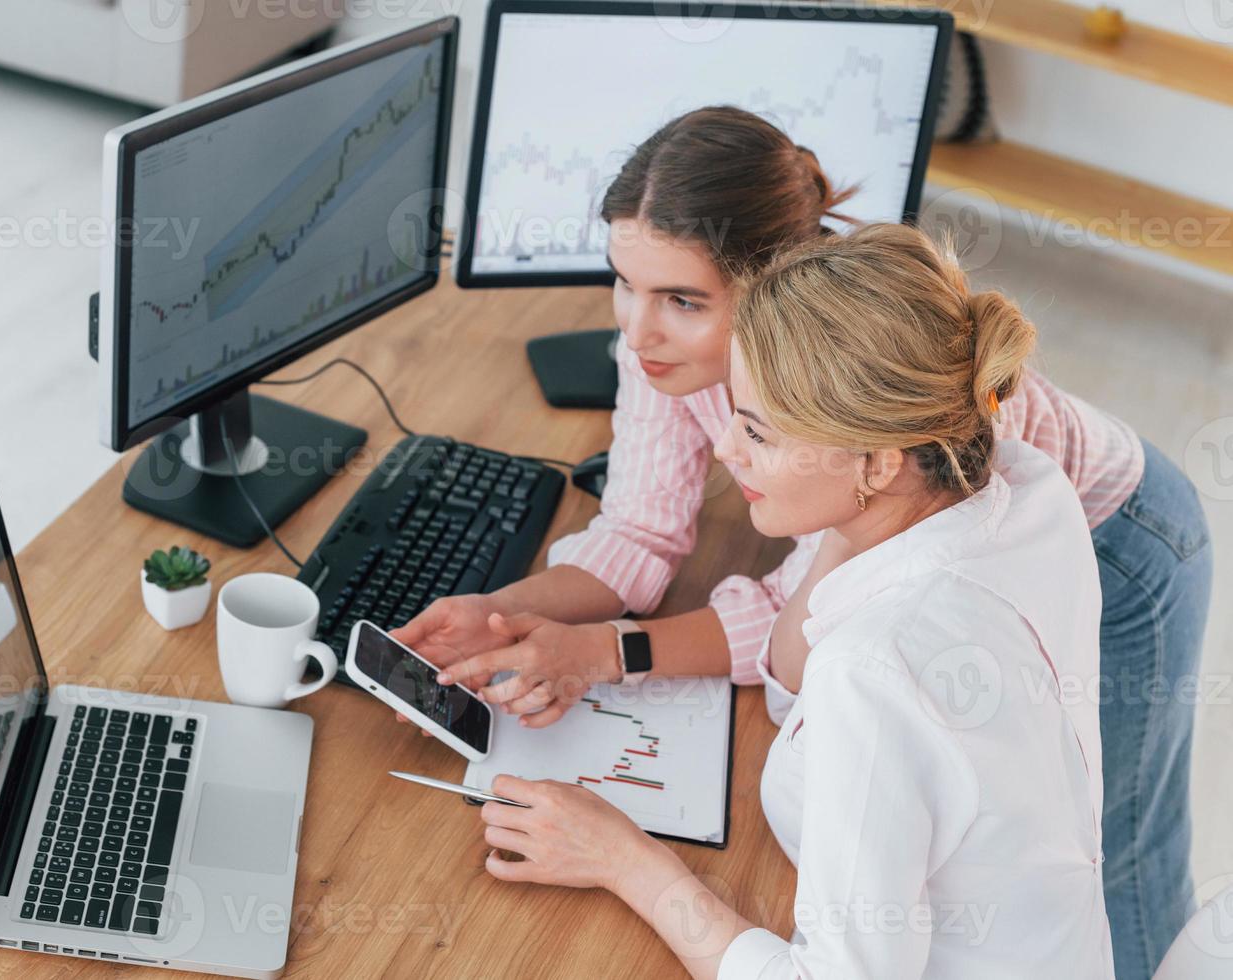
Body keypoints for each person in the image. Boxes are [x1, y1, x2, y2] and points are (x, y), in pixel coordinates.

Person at [393, 107, 1211, 978]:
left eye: (682, 300)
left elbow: (820, 647)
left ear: (772, 289)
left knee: (1117, 848)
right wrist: (505, 613)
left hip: (1126, 538)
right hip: (929, 566)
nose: (636, 332)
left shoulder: (927, 563)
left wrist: (620, 836)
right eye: (624, 284)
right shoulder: (918, 492)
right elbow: (669, 549)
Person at [472, 223, 1115, 977]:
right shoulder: (1025, 484)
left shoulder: (873, 671)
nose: (724, 451)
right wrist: (848, 516)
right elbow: (794, 675)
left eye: (758, 433)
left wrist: (624, 859)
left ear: (878, 462)